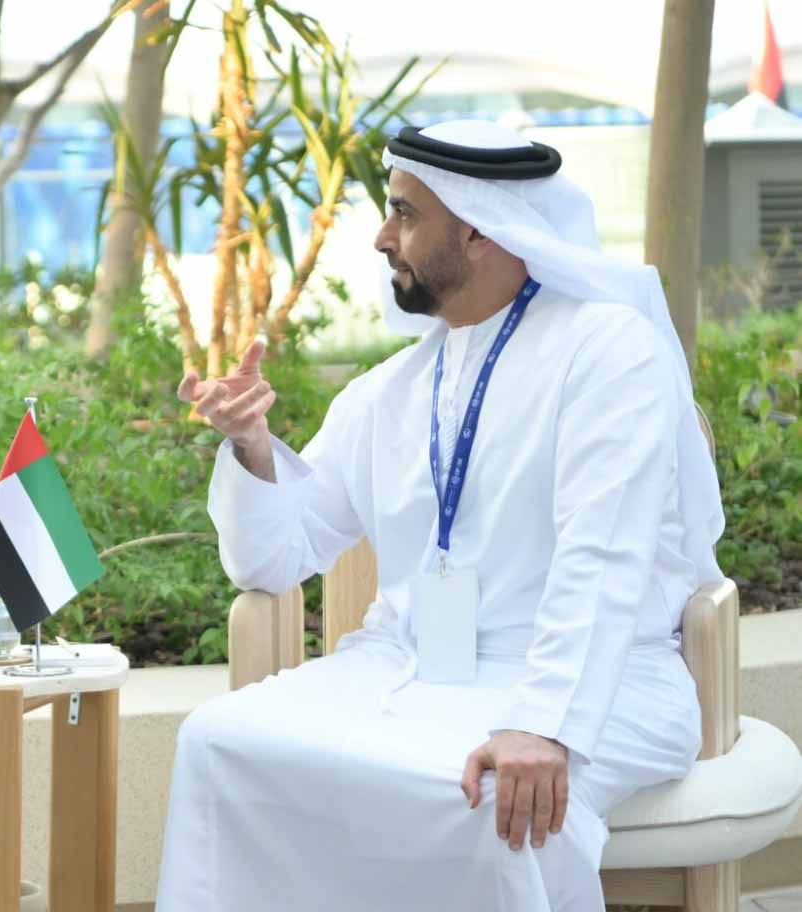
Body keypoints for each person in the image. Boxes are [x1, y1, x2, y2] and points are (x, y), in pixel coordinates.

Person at [156, 120, 724, 912]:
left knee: (493, 800)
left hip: (593, 682)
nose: (384, 236)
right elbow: (273, 561)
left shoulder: (609, 351)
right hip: (407, 665)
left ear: (480, 229)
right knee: (215, 743)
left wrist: (544, 725)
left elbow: (604, 555)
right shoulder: (391, 389)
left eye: (405, 214)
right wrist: (252, 445)